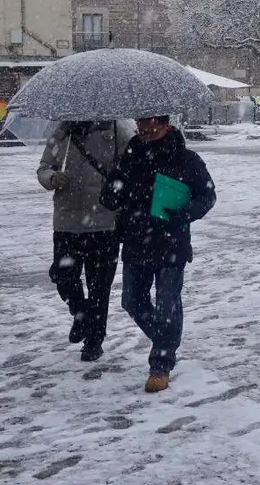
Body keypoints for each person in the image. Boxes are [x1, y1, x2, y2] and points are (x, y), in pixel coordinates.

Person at [101, 115, 216, 393]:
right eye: (142, 124)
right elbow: (111, 196)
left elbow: (207, 196)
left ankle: (160, 365)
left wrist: (184, 214)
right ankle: (166, 341)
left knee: (167, 303)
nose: (146, 129)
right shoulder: (130, 157)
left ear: (166, 125)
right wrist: (115, 188)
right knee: (131, 300)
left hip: (171, 242)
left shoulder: (187, 159)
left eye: (153, 124)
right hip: (135, 240)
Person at [37, 120, 136, 361]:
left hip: (104, 222)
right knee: (63, 276)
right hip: (67, 222)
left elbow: (131, 169)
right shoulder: (62, 133)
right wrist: (52, 178)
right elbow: (43, 167)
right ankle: (81, 314)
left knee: (99, 287)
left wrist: (117, 182)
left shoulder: (117, 130)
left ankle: (94, 340)